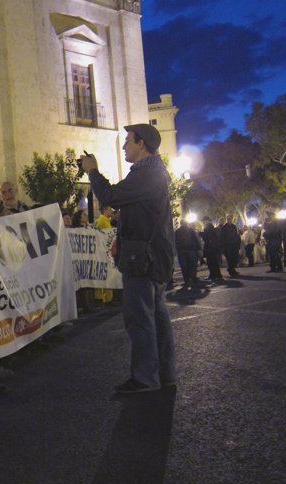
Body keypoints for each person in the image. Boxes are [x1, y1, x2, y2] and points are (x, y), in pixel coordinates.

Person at [79, 123, 176, 394]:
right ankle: (165, 374)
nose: (124, 146)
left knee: (140, 318)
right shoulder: (151, 174)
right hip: (152, 256)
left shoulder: (146, 175)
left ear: (141, 143)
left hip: (143, 259)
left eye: (128, 141)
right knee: (157, 316)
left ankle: (145, 378)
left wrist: (92, 171)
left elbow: (110, 197)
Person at [94, 205, 115, 303]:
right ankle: (105, 299)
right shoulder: (102, 220)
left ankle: (106, 298)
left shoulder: (104, 220)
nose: (112, 211)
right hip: (104, 253)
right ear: (105, 210)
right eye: (110, 209)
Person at [175, 220, 202, 288]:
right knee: (192, 265)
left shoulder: (177, 231)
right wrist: (198, 249)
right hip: (191, 250)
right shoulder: (191, 230)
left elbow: (174, 241)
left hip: (181, 251)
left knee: (184, 267)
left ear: (181, 224)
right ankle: (192, 279)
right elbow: (196, 240)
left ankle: (186, 281)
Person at [201, 216, 223, 281]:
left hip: (210, 247)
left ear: (206, 220)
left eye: (203, 221)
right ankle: (218, 274)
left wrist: (201, 234)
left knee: (210, 262)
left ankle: (212, 275)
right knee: (214, 261)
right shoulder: (210, 226)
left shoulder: (208, 227)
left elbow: (207, 236)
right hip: (212, 247)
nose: (203, 222)